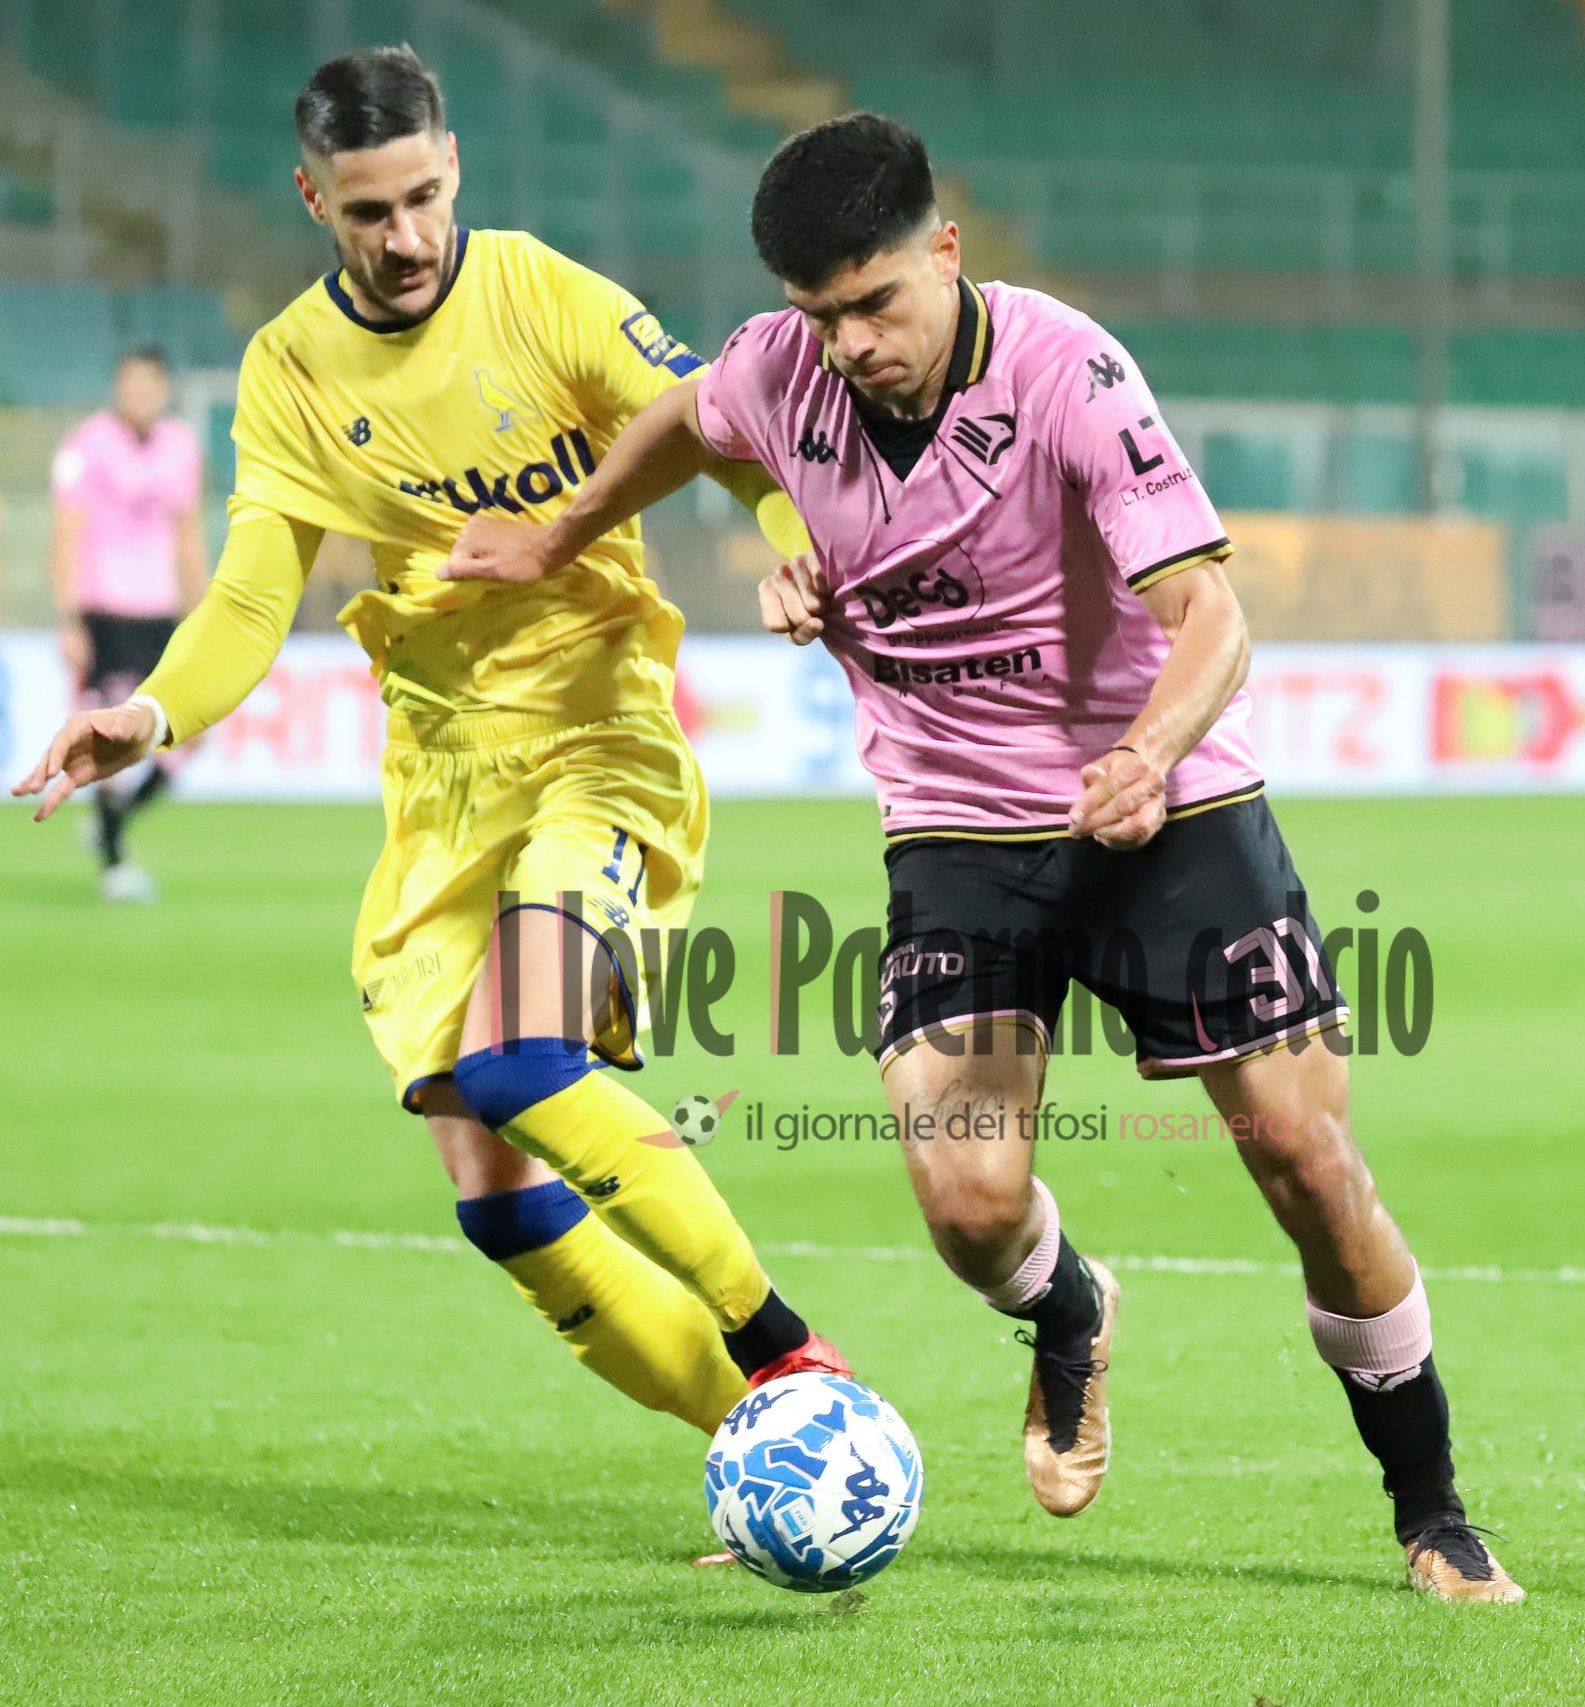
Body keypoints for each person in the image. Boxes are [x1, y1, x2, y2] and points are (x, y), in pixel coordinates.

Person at [438, 112, 1525, 1602]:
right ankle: (1070, 1309)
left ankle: (1433, 1507)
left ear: (946, 251)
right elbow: (691, 423)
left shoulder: (1067, 370)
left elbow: (1215, 614)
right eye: (824, 316)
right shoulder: (779, 370)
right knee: (964, 1203)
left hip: (1167, 803)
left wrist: (1143, 752)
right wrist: (560, 538)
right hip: (954, 823)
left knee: (1304, 1160)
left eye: (878, 302)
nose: (854, 342)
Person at [14, 47, 847, 1439]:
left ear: (454, 164)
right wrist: (154, 710)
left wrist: (799, 553)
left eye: (420, 198)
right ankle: (771, 1442)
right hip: (447, 784)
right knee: (492, 1192)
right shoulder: (289, 368)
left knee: (523, 1063)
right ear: (310, 199)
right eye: (366, 212)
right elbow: (248, 592)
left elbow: (728, 430)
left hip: (601, 742)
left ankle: (790, 1352)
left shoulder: (540, 292)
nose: (403, 238)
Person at [49, 346, 206, 903]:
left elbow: (188, 534)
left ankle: (109, 825)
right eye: (129, 385)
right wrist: (68, 620)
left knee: (194, 735)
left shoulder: (181, 446)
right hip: (106, 612)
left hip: (160, 613)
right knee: (115, 742)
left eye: (149, 386)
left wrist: (201, 612)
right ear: (117, 387)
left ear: (163, 390)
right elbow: (66, 533)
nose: (138, 395)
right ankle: (114, 866)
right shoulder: (86, 445)